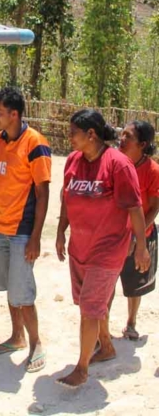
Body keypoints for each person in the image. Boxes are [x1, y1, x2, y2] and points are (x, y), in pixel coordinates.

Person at [55, 109, 150, 388]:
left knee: (89, 309)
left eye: (73, 131)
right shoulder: (73, 161)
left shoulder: (118, 165)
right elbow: (66, 198)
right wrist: (61, 231)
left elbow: (135, 208)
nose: (69, 136)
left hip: (108, 249)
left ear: (91, 134)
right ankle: (106, 346)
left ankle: (81, 369)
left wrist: (141, 248)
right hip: (80, 246)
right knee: (90, 306)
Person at [0, 87, 50, 373]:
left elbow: (43, 193)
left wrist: (35, 238)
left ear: (14, 114)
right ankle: (17, 337)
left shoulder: (35, 143)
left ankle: (36, 344)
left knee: (23, 293)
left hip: (22, 231)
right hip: (1, 228)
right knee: (10, 288)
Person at [115, 121, 159, 340]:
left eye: (128, 136)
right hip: (115, 234)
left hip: (141, 235)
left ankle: (131, 323)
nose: (121, 139)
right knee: (106, 282)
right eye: (121, 134)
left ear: (142, 144)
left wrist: (138, 236)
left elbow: (154, 207)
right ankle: (101, 328)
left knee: (134, 285)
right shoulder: (114, 163)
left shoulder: (152, 171)